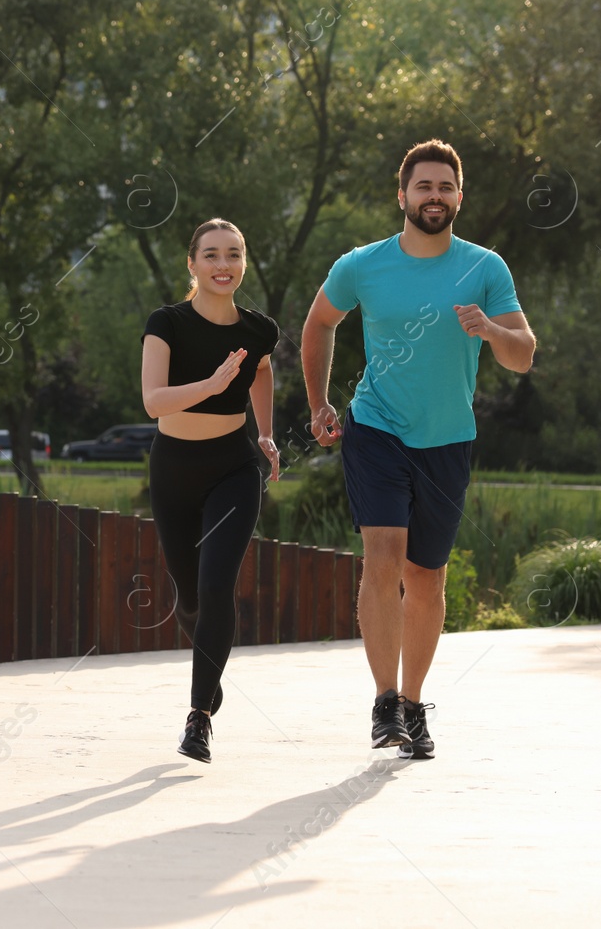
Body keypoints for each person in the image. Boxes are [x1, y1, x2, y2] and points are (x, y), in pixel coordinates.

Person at [301, 139, 535, 759]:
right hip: (375, 428)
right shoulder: (362, 265)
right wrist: (320, 403)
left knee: (426, 578)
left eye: (445, 187)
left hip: (447, 440)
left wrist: (490, 329)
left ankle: (413, 702)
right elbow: (319, 322)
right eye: (423, 186)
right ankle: (384, 701)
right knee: (382, 554)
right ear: (402, 195)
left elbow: (523, 353)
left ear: (459, 197)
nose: (435, 196)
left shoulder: (485, 268)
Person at [140, 218, 281, 763]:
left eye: (235, 255)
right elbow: (153, 401)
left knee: (217, 585)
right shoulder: (166, 322)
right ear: (193, 263)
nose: (225, 265)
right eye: (213, 255)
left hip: (233, 468)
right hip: (173, 468)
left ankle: (198, 717)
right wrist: (213, 386)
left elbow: (264, 371)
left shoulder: (257, 329)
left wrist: (264, 433)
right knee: (192, 598)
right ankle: (210, 659)